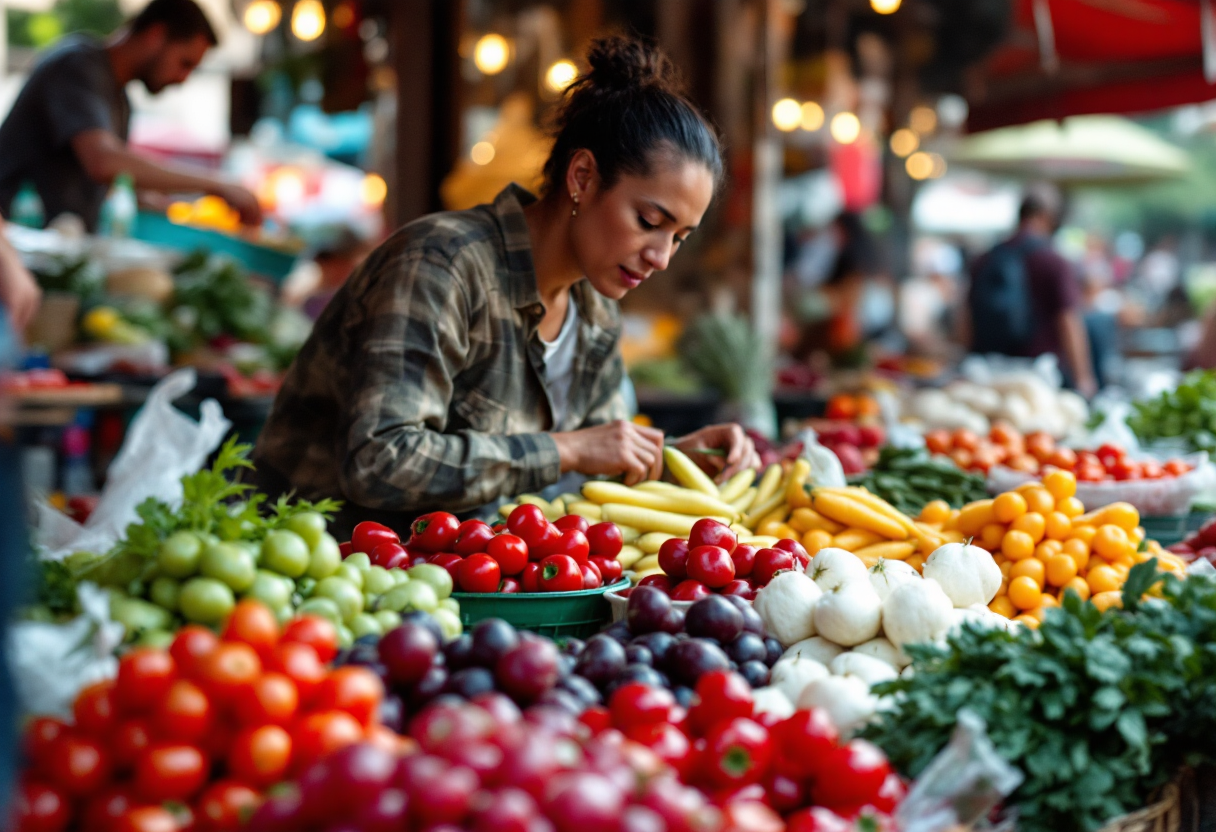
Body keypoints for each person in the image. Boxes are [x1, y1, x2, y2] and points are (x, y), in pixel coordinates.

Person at [253, 36, 759, 537]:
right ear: (582, 176)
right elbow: (380, 461)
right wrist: (566, 448)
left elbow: (596, 472)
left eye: (679, 238)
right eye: (649, 220)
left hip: (467, 580)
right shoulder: (441, 265)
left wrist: (678, 459)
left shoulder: (595, 309)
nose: (662, 257)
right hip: (319, 569)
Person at [0, 0, 262, 233]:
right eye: (185, 63)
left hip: (57, 250)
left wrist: (154, 200)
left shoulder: (120, 99)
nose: (184, 79)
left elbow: (115, 180)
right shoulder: (77, 65)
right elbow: (105, 162)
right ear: (156, 35)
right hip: (15, 243)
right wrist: (217, 184)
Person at [965, 190, 1098, 398]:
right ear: (1047, 217)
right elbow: (1069, 322)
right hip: (1037, 381)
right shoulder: (1054, 262)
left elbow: (966, 319)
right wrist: (1084, 379)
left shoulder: (984, 259)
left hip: (987, 376)